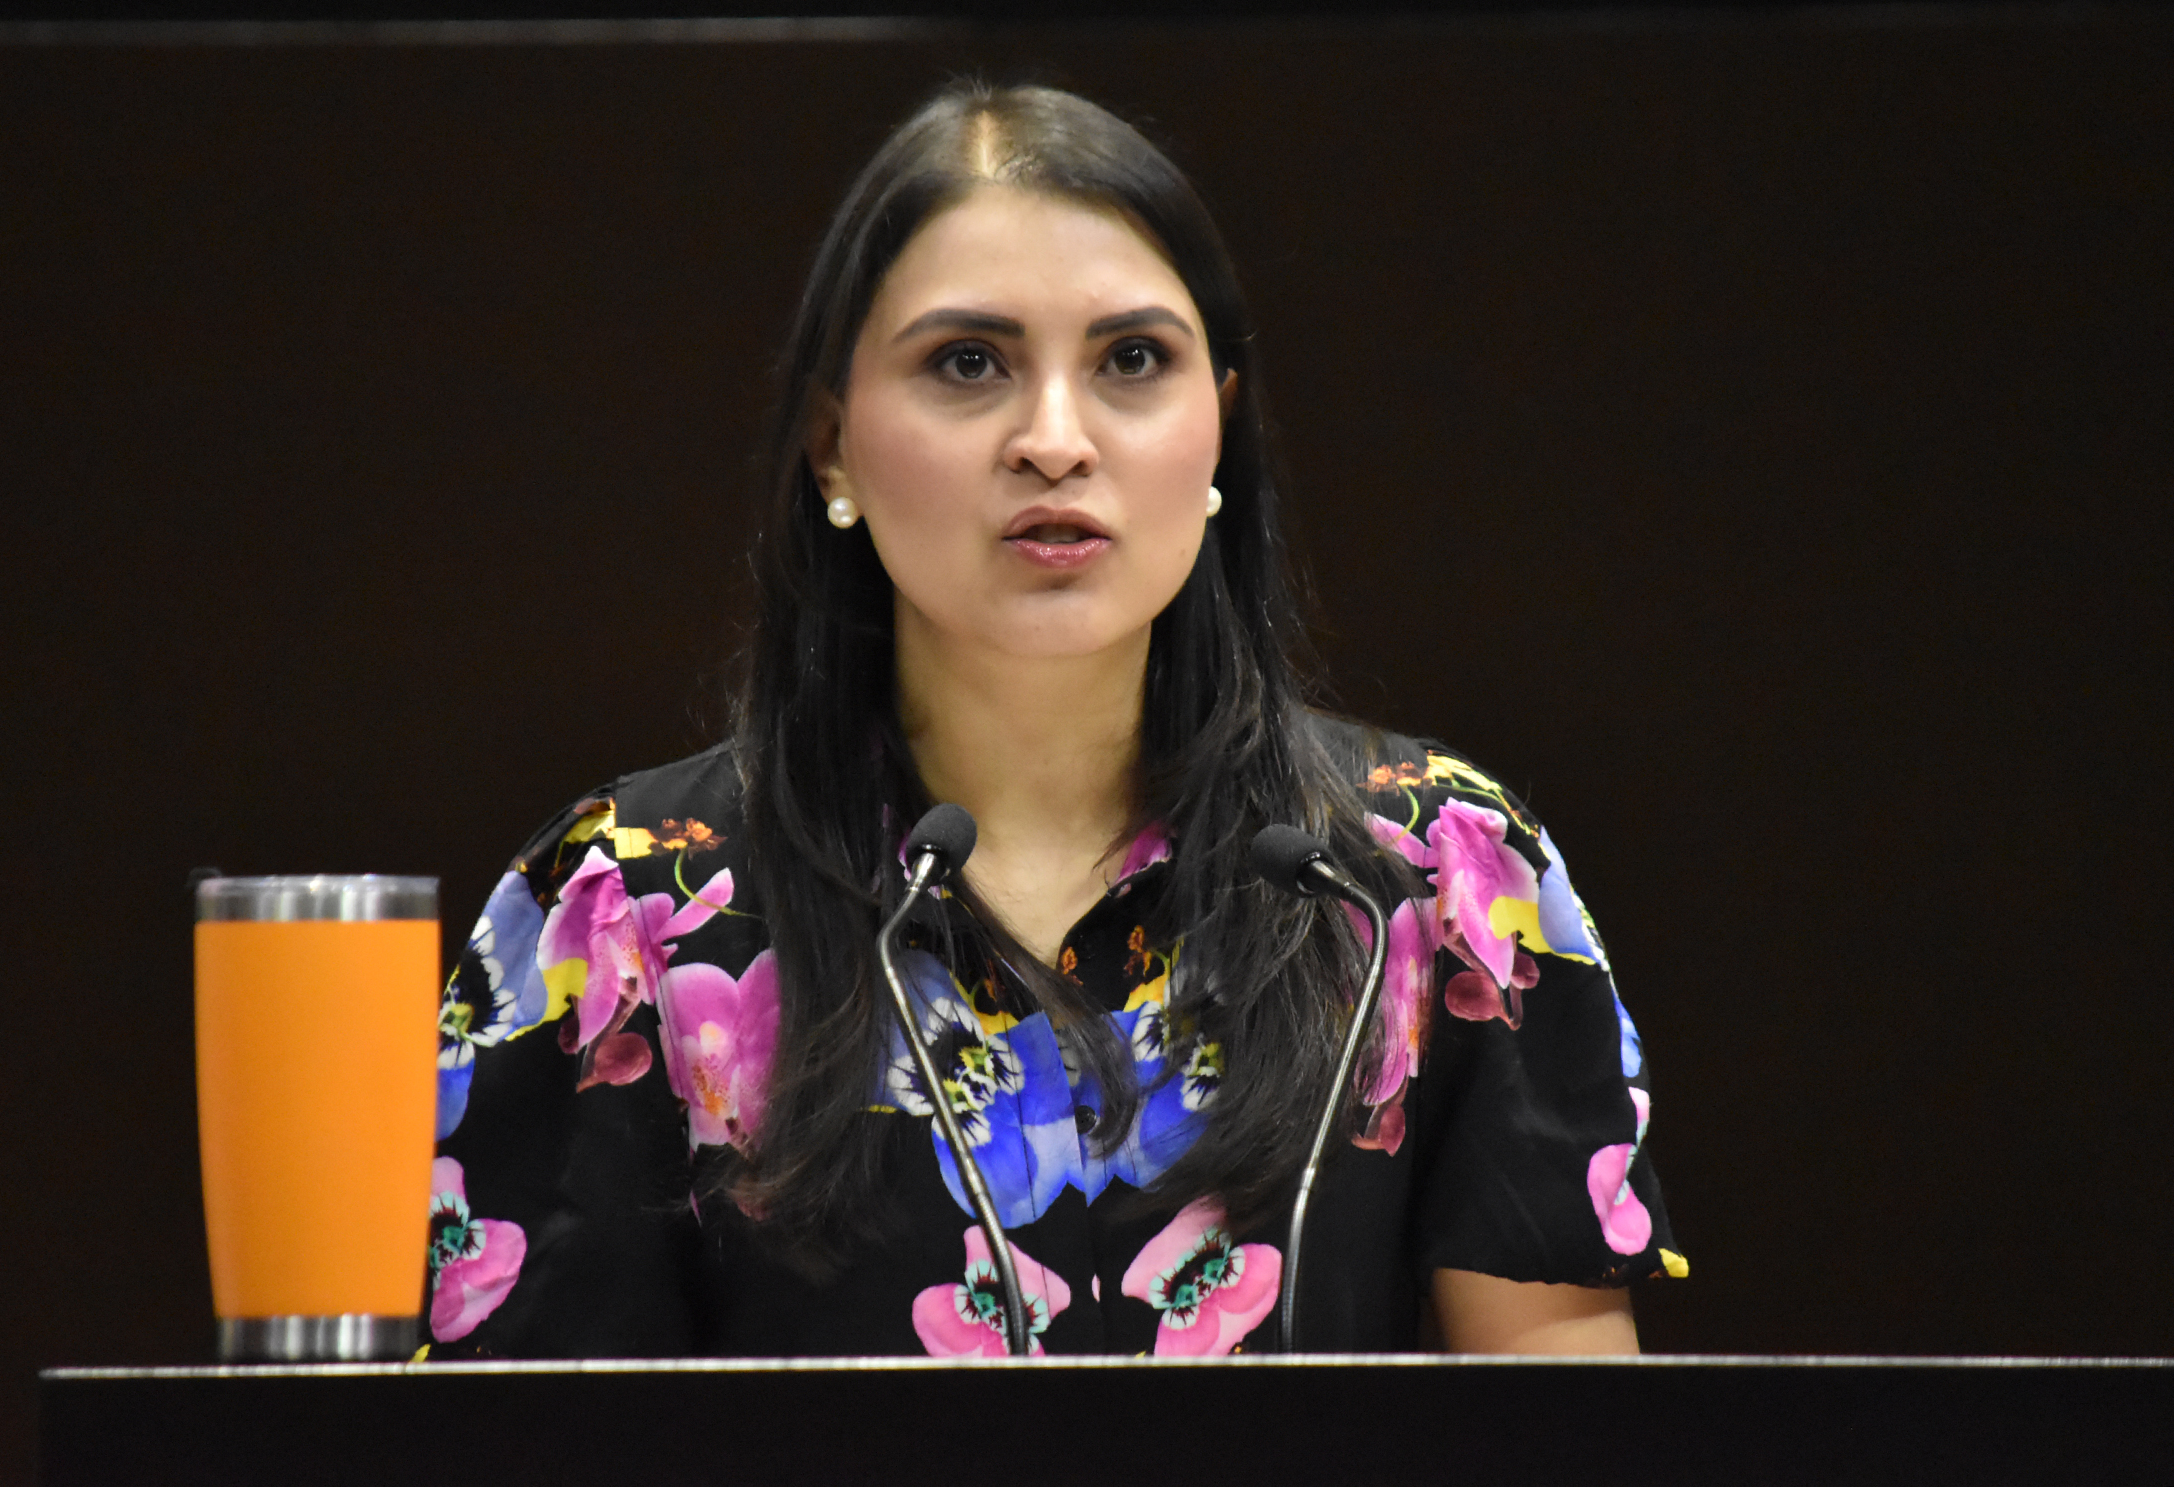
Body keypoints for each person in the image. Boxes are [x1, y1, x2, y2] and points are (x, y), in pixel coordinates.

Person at [425, 82, 1680, 1359]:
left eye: (1131, 361)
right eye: (969, 363)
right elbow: (519, 1436)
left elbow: (1564, 1422)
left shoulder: (1433, 874)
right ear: (831, 444)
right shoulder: (625, 908)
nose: (1055, 440)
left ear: (1220, 431)